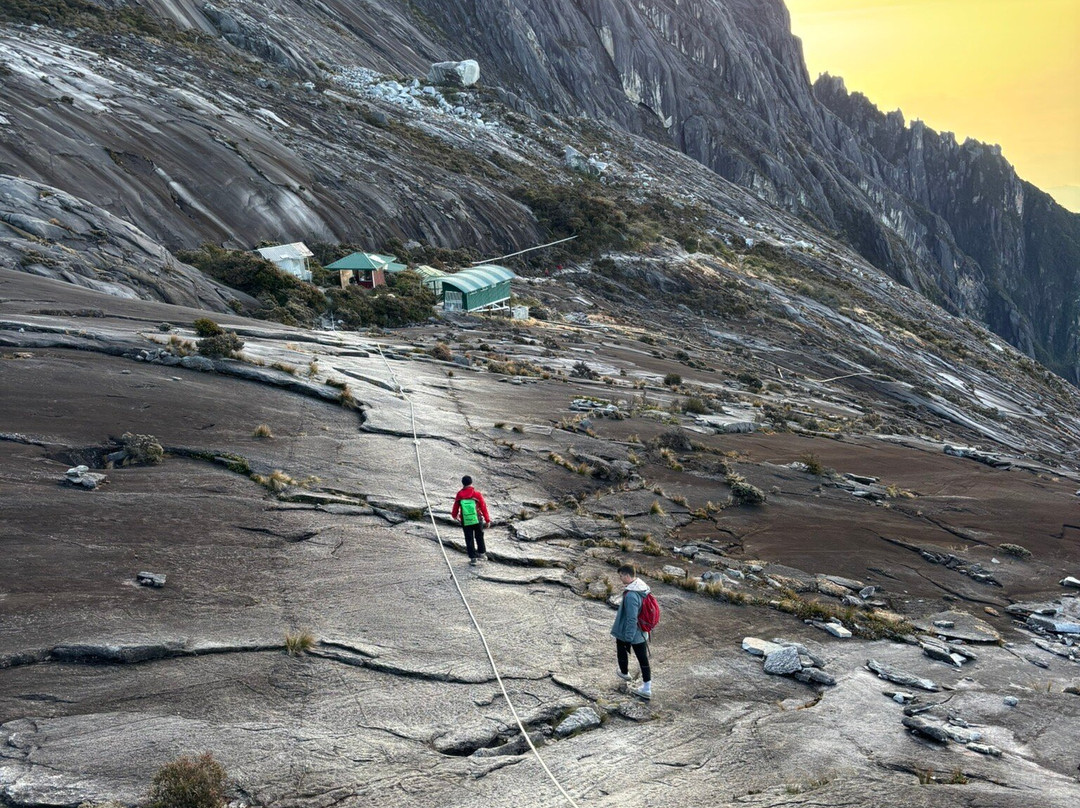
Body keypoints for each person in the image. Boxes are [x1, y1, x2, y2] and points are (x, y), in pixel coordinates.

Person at [611, 563, 652, 700]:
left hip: (631, 633)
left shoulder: (631, 595)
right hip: (642, 632)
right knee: (643, 659)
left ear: (628, 576)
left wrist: (627, 638)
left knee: (624, 650)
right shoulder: (643, 587)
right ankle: (646, 686)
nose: (620, 578)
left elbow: (631, 619)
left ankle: (626, 674)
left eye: (622, 576)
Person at [452, 475, 491, 565]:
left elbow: (455, 507)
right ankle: (482, 554)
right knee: (479, 536)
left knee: (469, 538)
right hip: (477, 518)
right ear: (471, 482)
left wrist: (454, 515)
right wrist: (487, 520)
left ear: (463, 483)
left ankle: (473, 558)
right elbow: (483, 507)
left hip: (465, 520)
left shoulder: (459, 494)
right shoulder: (477, 494)